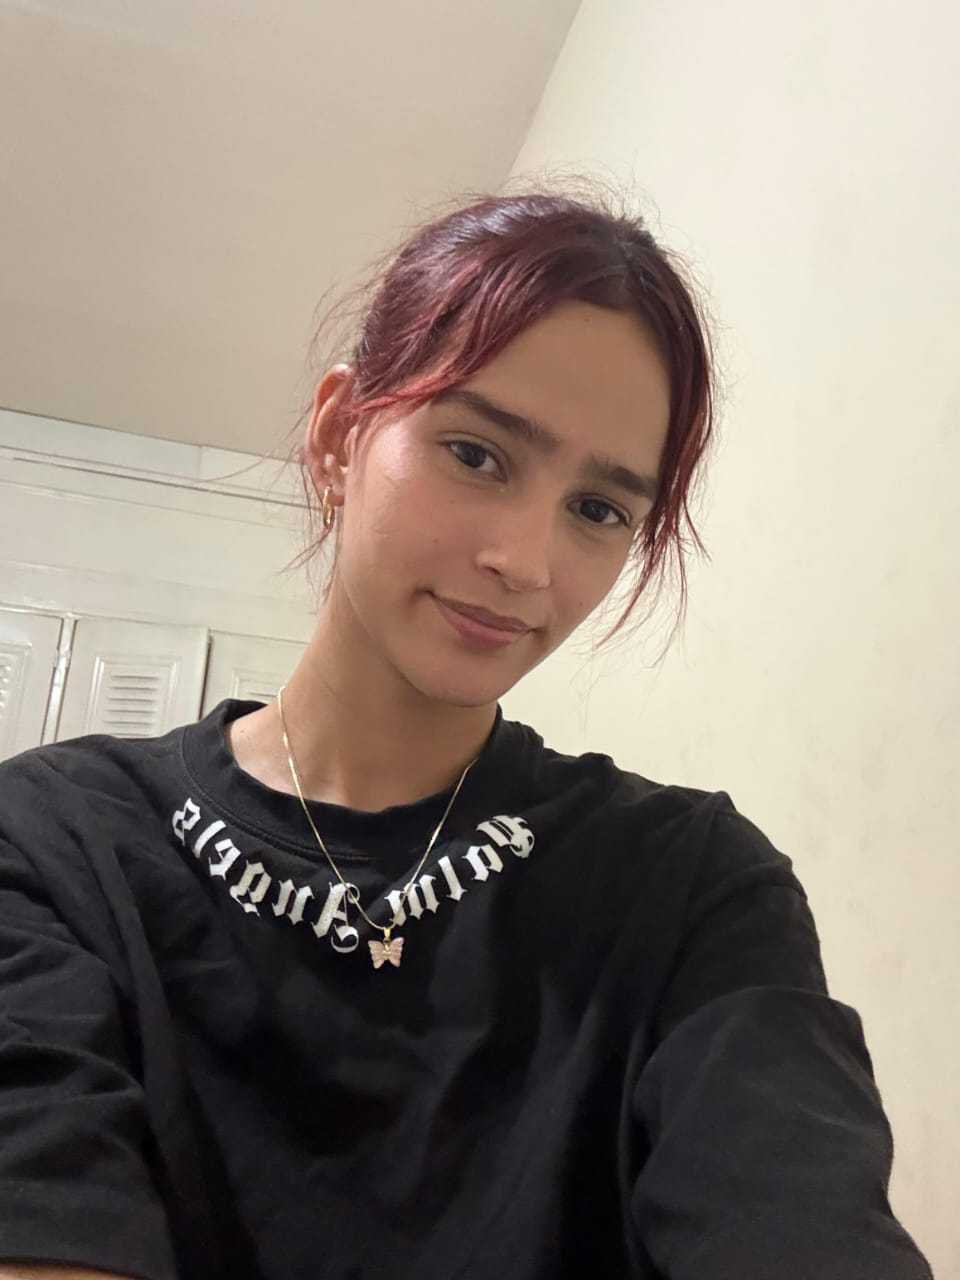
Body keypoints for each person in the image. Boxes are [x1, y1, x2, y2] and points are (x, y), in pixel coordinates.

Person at [0, 184, 934, 1280]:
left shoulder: (694, 888)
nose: (526, 563)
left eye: (598, 509)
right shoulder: (55, 843)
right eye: (478, 454)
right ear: (339, 436)